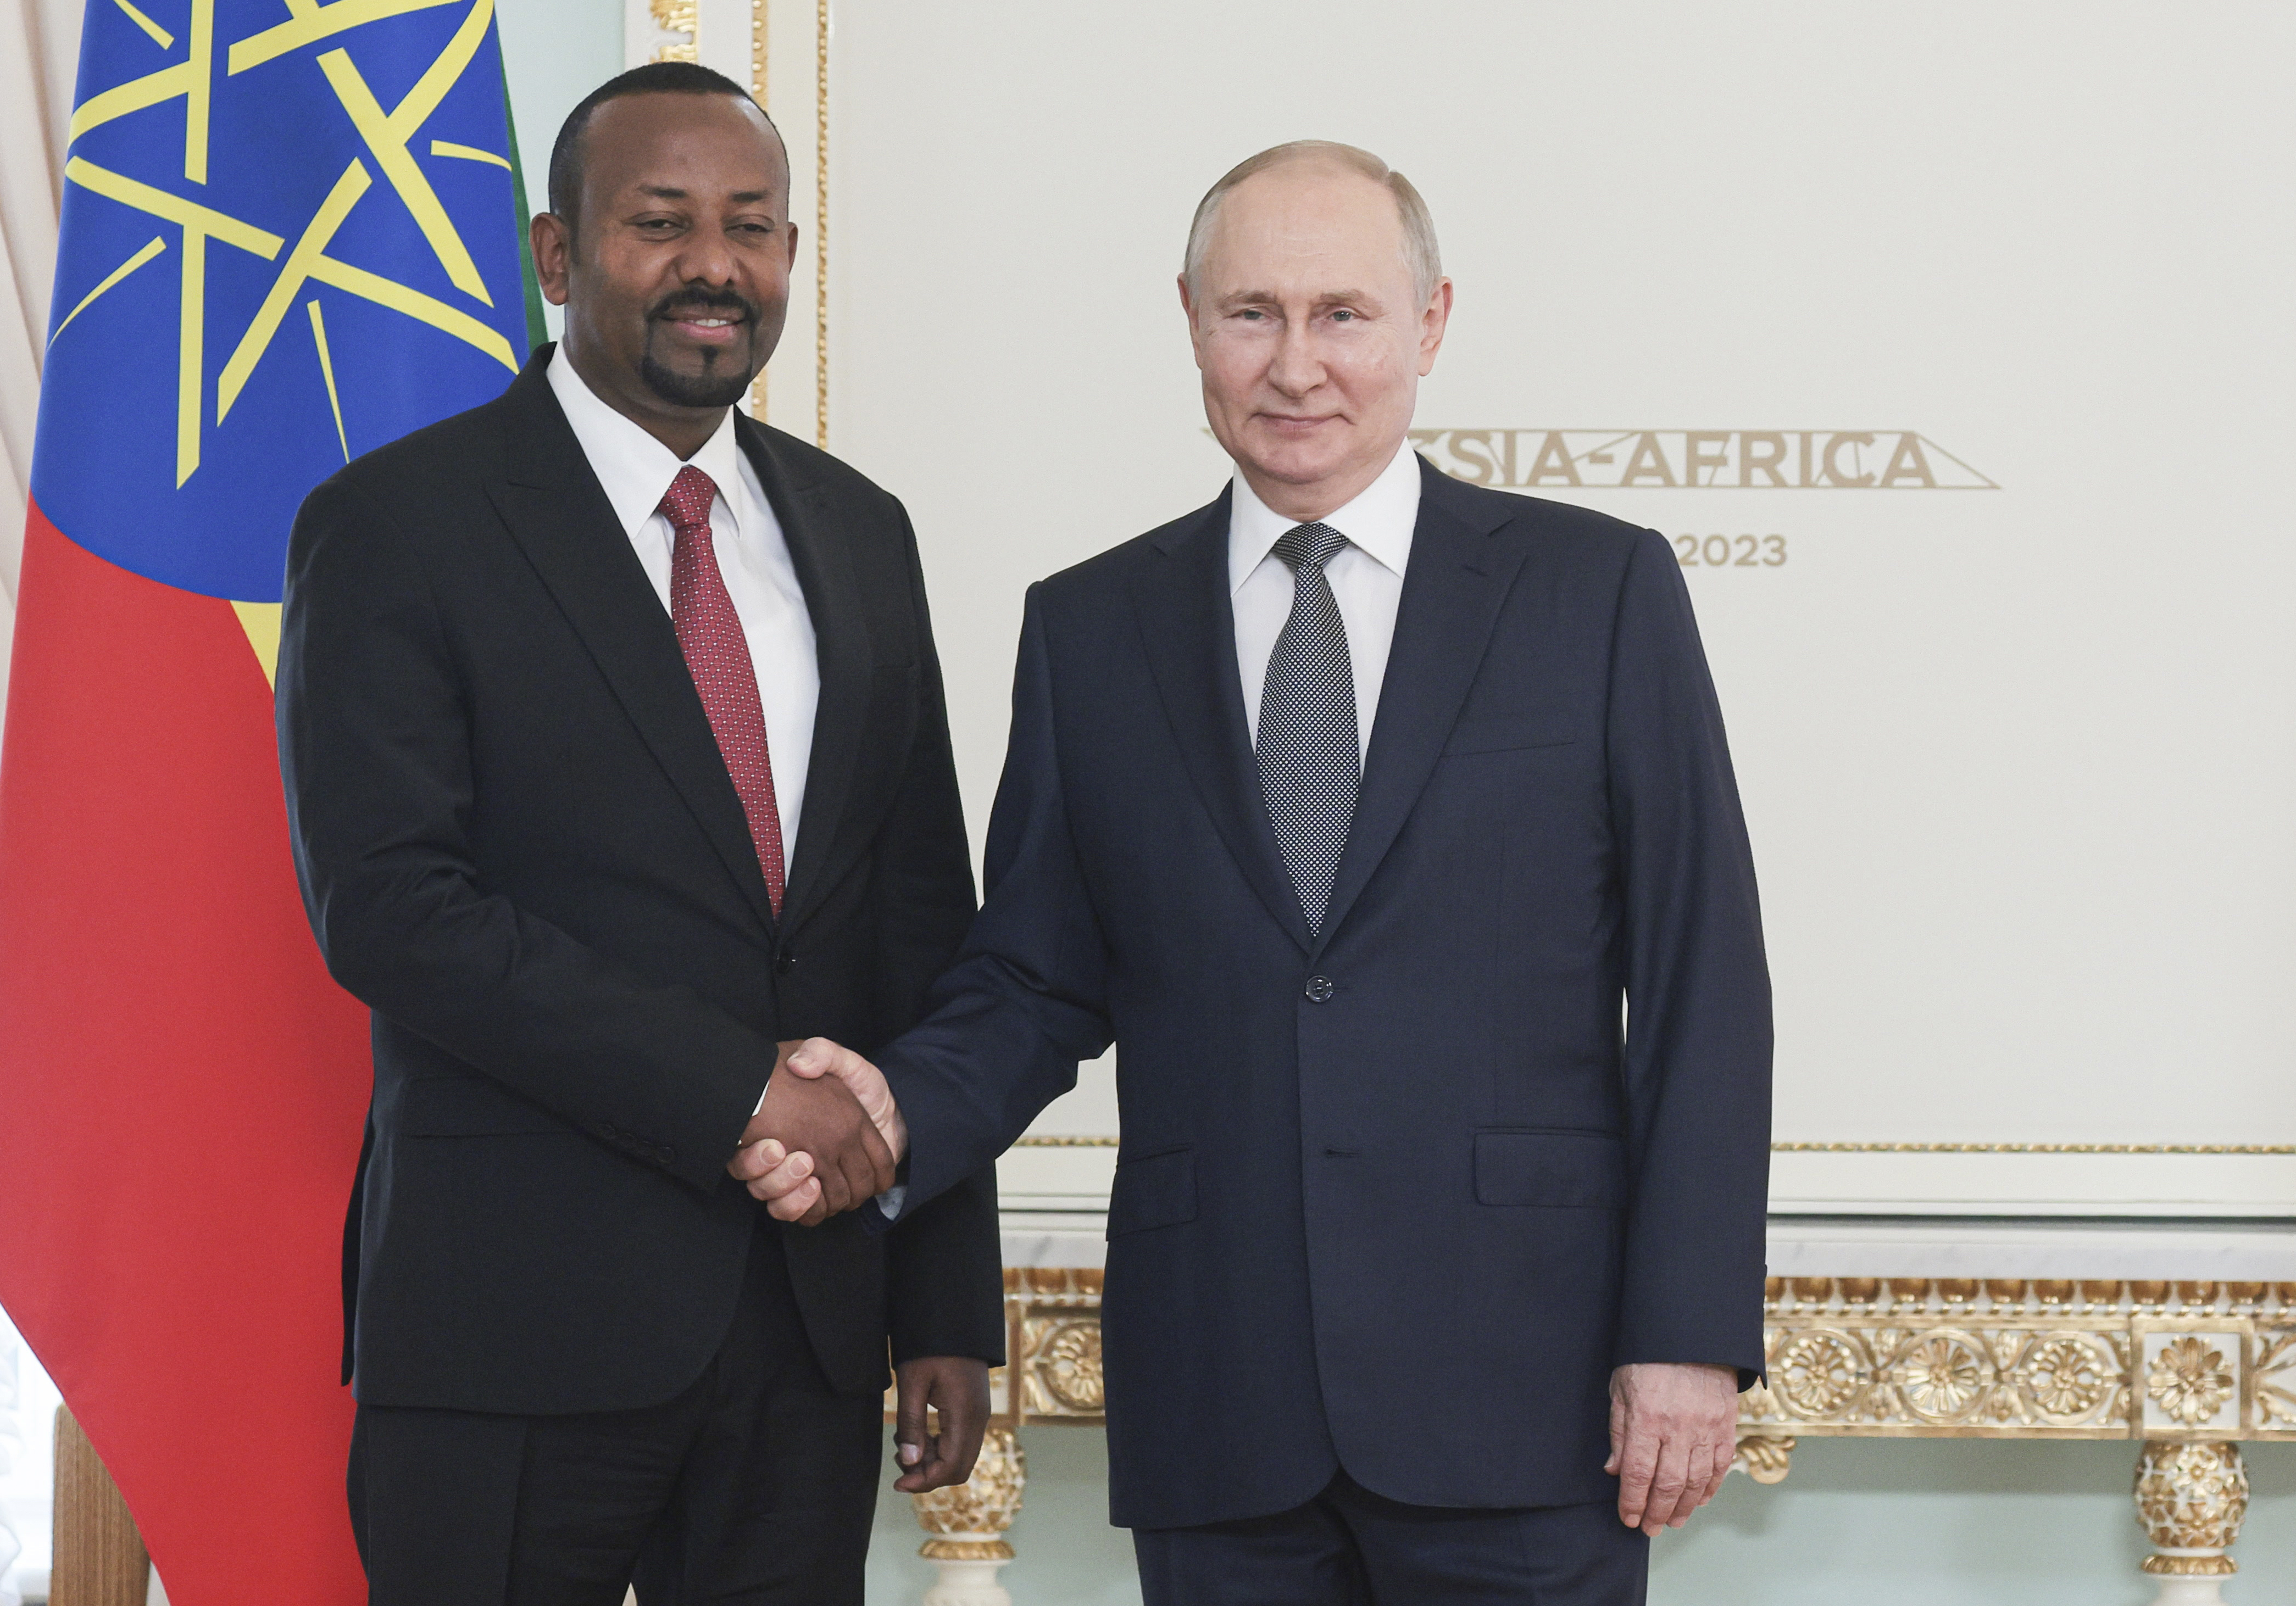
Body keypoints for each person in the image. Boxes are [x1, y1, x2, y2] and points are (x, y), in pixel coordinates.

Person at [743, 141, 1774, 1604]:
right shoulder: (1091, 628)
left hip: (1524, 1394)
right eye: (1252, 314)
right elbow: (1034, 974)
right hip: (1220, 1396)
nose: (1296, 365)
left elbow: (1699, 985)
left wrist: (1683, 1332)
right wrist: (891, 1108)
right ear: (1189, 322)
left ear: (1428, 325)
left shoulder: (1595, 591)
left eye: (1342, 314)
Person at [276, 62, 998, 1606]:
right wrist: (743, 1090)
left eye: (749, 226)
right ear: (556, 254)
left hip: (805, 1336)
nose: (710, 265)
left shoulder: (862, 534)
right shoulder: (396, 522)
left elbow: (918, 931)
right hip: (509, 1325)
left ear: (791, 258)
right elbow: (393, 907)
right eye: (658, 223)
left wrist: (942, 1297)